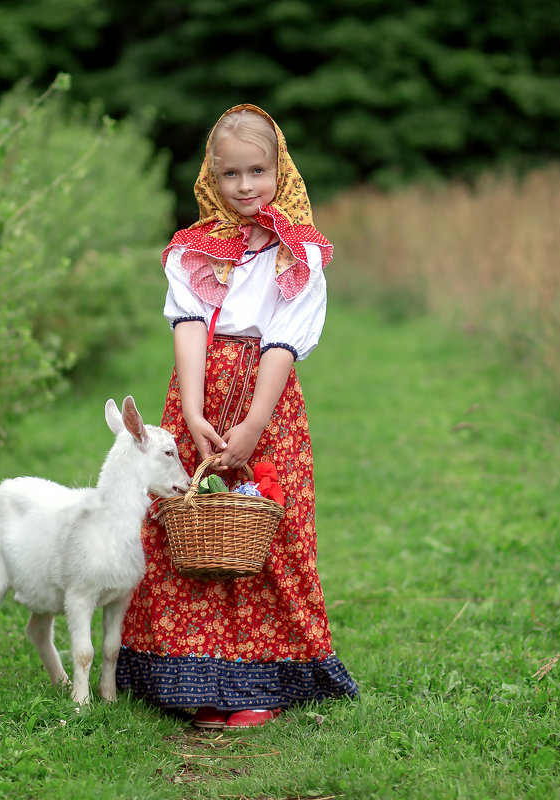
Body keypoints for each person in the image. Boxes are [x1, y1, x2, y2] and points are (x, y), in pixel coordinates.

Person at [115, 104, 358, 730]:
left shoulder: (296, 251)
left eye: (258, 170)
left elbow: (282, 341)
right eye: (230, 175)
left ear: (280, 170)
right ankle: (195, 676)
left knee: (263, 530)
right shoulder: (194, 250)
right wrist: (191, 412)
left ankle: (261, 683)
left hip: (264, 401)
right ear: (210, 177)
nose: (245, 186)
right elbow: (190, 325)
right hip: (200, 392)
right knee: (189, 526)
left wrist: (252, 425)